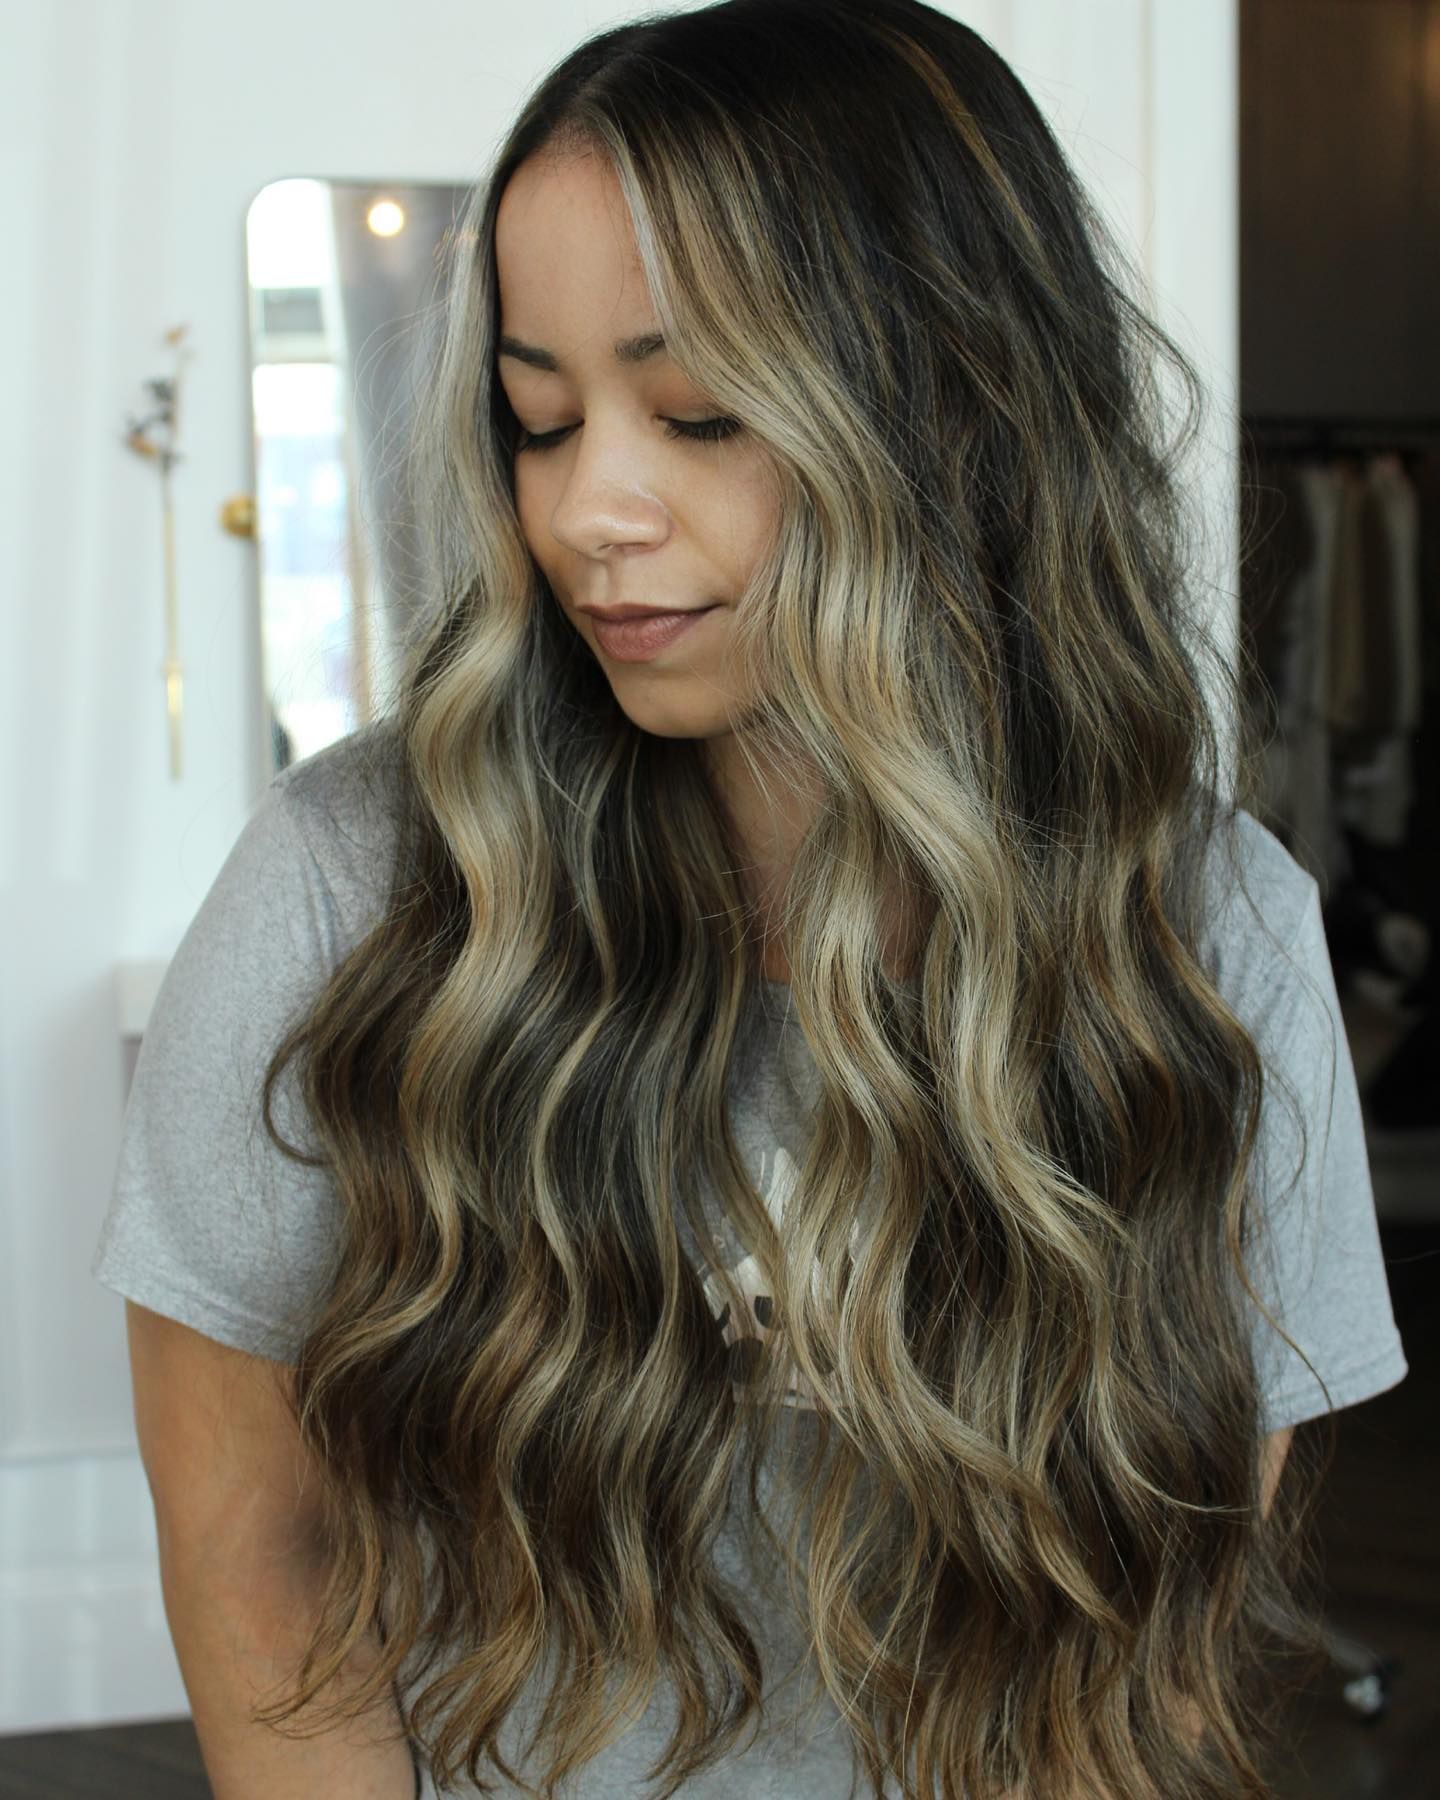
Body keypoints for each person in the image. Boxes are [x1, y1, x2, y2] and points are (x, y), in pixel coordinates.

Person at [91, 2, 1409, 1795]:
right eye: (540, 419)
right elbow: (260, 1560)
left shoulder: (1204, 930)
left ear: (956, 408)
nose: (586, 512)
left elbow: (1153, 1636)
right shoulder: (352, 891)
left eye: (697, 413)